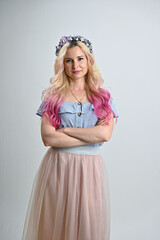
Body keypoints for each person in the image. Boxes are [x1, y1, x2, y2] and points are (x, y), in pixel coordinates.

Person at [22, 35, 119, 240]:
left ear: (89, 61)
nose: (76, 65)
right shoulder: (53, 97)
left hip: (90, 169)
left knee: (87, 225)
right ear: (62, 64)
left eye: (80, 58)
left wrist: (66, 131)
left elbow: (104, 134)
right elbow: (48, 138)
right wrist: (90, 136)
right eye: (69, 60)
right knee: (54, 223)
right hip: (58, 166)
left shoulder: (102, 97)